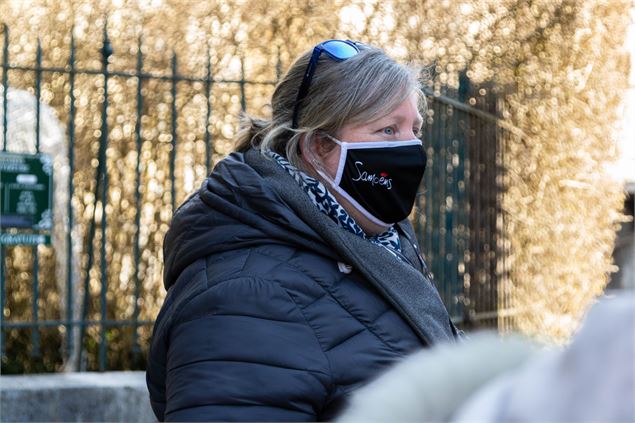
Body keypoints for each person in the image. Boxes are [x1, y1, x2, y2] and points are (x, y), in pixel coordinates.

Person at [146, 39, 461, 422]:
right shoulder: (245, 295)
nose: (411, 148)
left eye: (415, 129)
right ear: (317, 147)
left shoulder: (376, 251)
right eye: (388, 130)